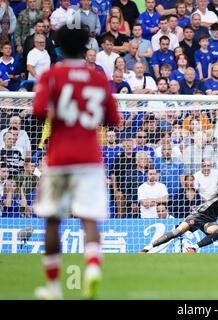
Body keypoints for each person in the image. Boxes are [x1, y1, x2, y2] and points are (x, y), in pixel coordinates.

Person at [32, 26, 120, 300]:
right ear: (85, 50)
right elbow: (114, 120)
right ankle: (92, 268)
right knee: (89, 218)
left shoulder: (52, 75)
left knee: (52, 221)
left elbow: (37, 112)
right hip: (90, 158)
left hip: (59, 158)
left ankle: (54, 287)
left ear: (59, 49)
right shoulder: (97, 79)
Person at [139, 174, 218, 253]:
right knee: (177, 232)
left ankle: (193, 248)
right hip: (198, 215)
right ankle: (147, 248)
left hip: (209, 221)